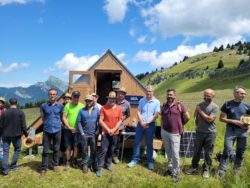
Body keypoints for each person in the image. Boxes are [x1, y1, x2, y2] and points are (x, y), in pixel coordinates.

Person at [218, 86, 250, 177]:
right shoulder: (227, 104)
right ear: (235, 93)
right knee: (227, 150)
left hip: (243, 132)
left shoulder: (247, 106)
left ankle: (237, 170)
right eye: (241, 93)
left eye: (244, 94)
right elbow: (221, 118)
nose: (243, 95)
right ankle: (222, 171)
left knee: (240, 151)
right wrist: (234, 121)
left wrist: (248, 128)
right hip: (230, 131)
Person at [186, 89, 219, 178]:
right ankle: (194, 167)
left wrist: (200, 111)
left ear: (213, 96)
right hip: (199, 132)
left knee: (208, 153)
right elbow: (195, 117)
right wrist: (197, 124)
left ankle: (206, 169)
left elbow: (209, 119)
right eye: (205, 95)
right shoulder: (199, 105)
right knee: (196, 150)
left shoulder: (215, 107)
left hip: (210, 133)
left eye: (208, 95)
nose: (206, 97)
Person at [127, 85, 160, 170]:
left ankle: (150, 162)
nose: (148, 92)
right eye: (147, 91)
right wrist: (141, 122)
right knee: (137, 142)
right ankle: (135, 160)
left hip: (151, 125)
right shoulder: (142, 100)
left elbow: (156, 114)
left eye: (150, 91)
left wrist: (147, 122)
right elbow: (138, 111)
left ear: (153, 92)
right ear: (145, 91)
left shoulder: (157, 102)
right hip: (140, 124)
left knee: (149, 144)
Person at [160, 88, 190, 182]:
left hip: (175, 133)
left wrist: (181, 124)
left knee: (175, 154)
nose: (169, 96)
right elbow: (162, 117)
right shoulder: (164, 106)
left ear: (174, 96)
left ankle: (176, 172)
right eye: (168, 94)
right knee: (168, 152)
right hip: (165, 132)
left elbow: (187, 117)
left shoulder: (180, 105)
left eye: (171, 95)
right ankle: (170, 169)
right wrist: (162, 128)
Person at [96, 91, 123, 177]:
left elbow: (120, 120)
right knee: (103, 150)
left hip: (115, 133)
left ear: (115, 99)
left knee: (111, 150)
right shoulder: (103, 108)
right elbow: (100, 120)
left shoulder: (119, 109)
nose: (111, 100)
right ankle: (99, 168)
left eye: (113, 99)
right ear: (108, 98)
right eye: (110, 98)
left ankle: (108, 164)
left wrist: (114, 129)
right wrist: (108, 129)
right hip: (105, 133)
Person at [0, 98, 28, 176]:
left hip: (5, 135)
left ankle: (5, 170)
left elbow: (1, 125)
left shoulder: (4, 113)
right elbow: (23, 125)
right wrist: (26, 135)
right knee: (17, 149)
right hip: (17, 135)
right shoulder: (20, 112)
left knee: (5, 152)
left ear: (10, 103)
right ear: (17, 103)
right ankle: (13, 166)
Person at [40, 88, 64, 175]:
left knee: (56, 149)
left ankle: (55, 165)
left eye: (54, 94)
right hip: (47, 130)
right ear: (48, 95)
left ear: (56, 95)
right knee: (45, 150)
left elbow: (61, 117)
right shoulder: (43, 106)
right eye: (50, 94)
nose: (52, 96)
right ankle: (44, 167)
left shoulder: (60, 106)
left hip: (57, 130)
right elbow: (43, 118)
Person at [76, 95, 100, 173]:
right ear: (85, 101)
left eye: (90, 101)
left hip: (93, 135)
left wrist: (98, 130)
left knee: (94, 151)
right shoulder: (81, 110)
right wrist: (82, 133)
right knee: (84, 150)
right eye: (87, 101)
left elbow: (99, 121)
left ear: (93, 101)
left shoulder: (96, 110)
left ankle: (94, 165)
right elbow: (78, 122)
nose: (88, 102)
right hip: (84, 135)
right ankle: (85, 165)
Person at [62, 91, 84, 169]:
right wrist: (68, 127)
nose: (76, 98)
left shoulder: (82, 106)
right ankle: (67, 162)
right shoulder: (67, 106)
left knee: (75, 147)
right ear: (72, 97)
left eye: (77, 97)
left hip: (77, 130)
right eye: (74, 96)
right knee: (68, 147)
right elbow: (64, 117)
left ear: (79, 97)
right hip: (68, 130)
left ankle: (74, 161)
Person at [113, 86, 130, 164]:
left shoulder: (127, 104)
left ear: (124, 95)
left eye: (122, 94)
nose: (120, 95)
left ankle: (115, 156)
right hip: (111, 125)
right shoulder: (112, 101)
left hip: (119, 127)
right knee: (109, 141)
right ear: (117, 94)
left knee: (117, 142)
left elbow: (128, 114)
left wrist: (123, 118)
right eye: (119, 93)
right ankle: (108, 155)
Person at [59, 92, 71, 165]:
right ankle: (60, 159)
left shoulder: (71, 106)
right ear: (63, 99)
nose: (67, 100)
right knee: (61, 144)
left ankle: (68, 160)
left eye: (68, 99)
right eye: (65, 99)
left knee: (69, 145)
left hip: (70, 129)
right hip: (61, 128)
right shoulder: (60, 107)